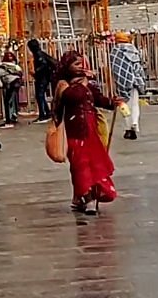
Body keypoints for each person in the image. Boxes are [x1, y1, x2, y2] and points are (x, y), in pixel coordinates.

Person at [54, 51, 120, 214]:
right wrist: (82, 83)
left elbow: (98, 99)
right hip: (74, 130)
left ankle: (83, 197)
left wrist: (112, 102)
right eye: (76, 64)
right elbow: (70, 97)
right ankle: (87, 198)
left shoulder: (87, 83)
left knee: (94, 164)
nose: (80, 67)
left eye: (81, 63)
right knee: (80, 165)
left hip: (91, 130)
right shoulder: (63, 84)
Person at [109, 38, 148, 138]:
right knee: (134, 104)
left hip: (121, 82)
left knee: (124, 105)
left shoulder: (115, 51)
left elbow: (114, 68)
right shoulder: (134, 51)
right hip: (134, 81)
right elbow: (138, 68)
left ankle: (128, 128)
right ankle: (134, 122)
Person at [27, 39, 57, 122]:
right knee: (40, 95)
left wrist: (36, 71)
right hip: (43, 77)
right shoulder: (39, 53)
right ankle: (46, 112)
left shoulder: (38, 54)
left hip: (42, 78)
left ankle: (43, 114)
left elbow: (43, 64)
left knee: (40, 95)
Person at [0, 50, 25, 127]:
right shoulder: (15, 66)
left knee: (7, 101)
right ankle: (13, 114)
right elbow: (20, 73)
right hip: (16, 83)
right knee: (13, 100)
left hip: (8, 84)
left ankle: (9, 119)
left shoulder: (2, 66)